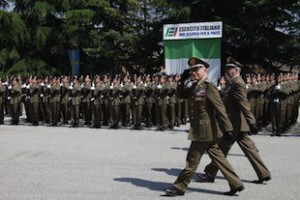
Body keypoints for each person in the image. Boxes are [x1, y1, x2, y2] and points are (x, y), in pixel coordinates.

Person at [164, 57, 244, 197]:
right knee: (220, 159)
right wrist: (181, 81)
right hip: (206, 131)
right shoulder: (196, 86)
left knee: (192, 160)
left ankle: (179, 187)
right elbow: (180, 95)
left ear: (204, 70)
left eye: (196, 69)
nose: (193, 72)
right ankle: (236, 184)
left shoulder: (209, 86)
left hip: (203, 131)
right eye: (191, 70)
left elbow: (220, 109)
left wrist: (228, 129)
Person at [196, 56, 271, 184]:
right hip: (236, 124)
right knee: (248, 149)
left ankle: (210, 173)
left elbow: (243, 103)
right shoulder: (232, 82)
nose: (227, 71)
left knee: (220, 149)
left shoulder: (237, 83)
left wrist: (252, 121)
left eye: (230, 69)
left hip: (234, 124)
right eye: (226, 68)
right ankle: (263, 173)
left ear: (236, 70)